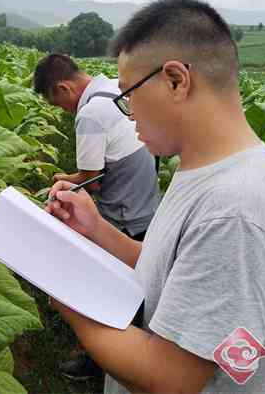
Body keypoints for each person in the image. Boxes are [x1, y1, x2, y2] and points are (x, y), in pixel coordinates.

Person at [45, 0, 265, 394]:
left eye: (128, 94)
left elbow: (170, 377)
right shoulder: (202, 169)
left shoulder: (238, 210)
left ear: (175, 80)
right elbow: (167, 270)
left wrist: (68, 299)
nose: (129, 112)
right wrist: (97, 228)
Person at [34, 54, 161, 380]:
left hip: (122, 213)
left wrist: (61, 178)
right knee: (138, 286)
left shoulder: (90, 114)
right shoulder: (109, 90)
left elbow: (93, 179)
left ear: (64, 87)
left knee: (106, 290)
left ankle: (99, 362)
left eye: (57, 101)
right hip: (146, 203)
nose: (63, 109)